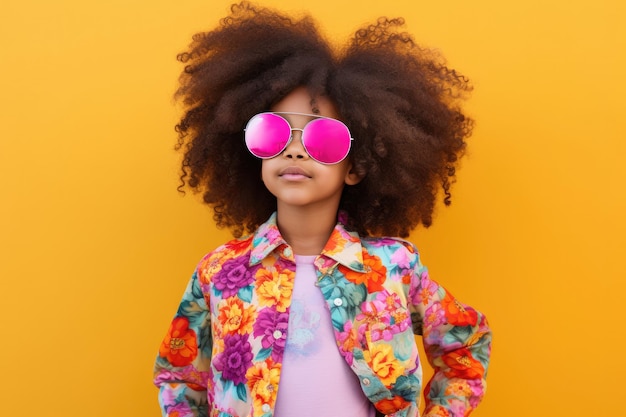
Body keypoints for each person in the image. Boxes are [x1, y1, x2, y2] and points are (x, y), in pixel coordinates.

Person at [153, 2, 492, 417]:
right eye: (273, 131)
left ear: (356, 165)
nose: (294, 149)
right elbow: (178, 376)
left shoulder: (394, 266)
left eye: (323, 137)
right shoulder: (219, 272)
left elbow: (465, 344)